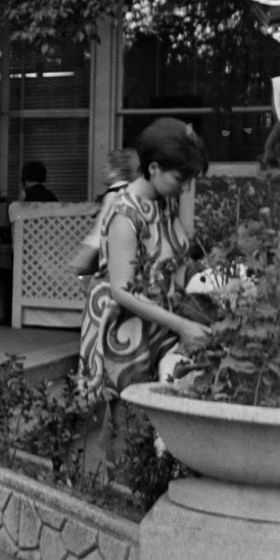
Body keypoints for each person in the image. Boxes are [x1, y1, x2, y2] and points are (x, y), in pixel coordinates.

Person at [78, 118, 206, 474]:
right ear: (153, 168)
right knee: (128, 429)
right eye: (181, 179)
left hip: (155, 323)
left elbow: (183, 245)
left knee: (152, 426)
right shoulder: (125, 213)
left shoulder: (163, 200)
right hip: (125, 330)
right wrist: (182, 325)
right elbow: (121, 290)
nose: (184, 188)